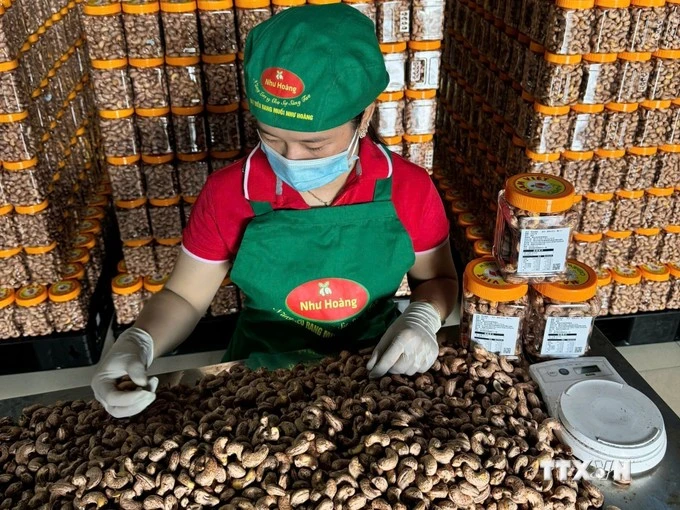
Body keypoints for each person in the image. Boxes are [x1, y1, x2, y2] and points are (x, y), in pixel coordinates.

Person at [91, 3, 459, 418]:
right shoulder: (229, 192)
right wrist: (138, 342)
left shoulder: (408, 187)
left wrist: (424, 317)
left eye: (315, 145)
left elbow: (439, 279)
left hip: (375, 369)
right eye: (272, 138)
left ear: (366, 114)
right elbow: (184, 297)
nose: (293, 158)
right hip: (260, 383)